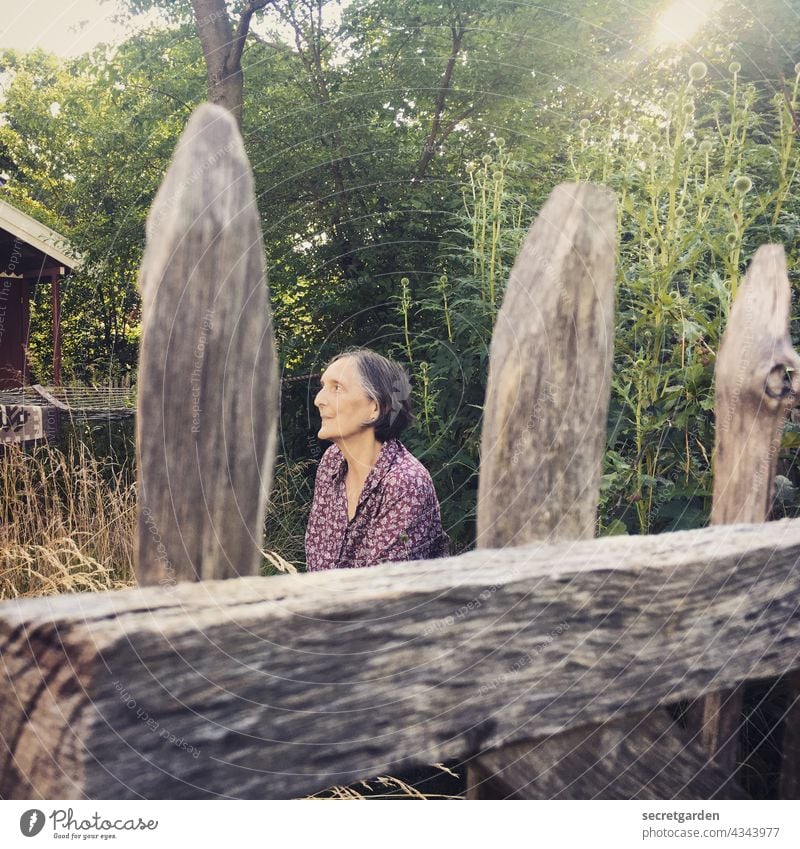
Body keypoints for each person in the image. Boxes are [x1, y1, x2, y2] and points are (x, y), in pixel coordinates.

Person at [305, 347, 449, 571]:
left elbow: (387, 593)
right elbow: (316, 564)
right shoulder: (331, 462)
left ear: (374, 408)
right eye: (323, 387)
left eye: (337, 388)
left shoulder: (405, 483)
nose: (318, 400)